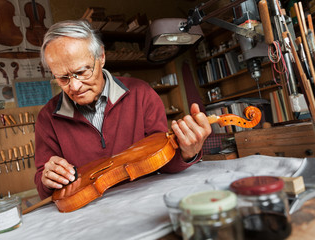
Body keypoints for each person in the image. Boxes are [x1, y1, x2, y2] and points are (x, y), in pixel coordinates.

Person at [34, 19, 212, 200]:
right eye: (63, 78)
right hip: (88, 210)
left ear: (101, 56)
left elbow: (163, 163)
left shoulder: (142, 94)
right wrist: (47, 179)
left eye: (81, 72)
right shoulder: (47, 118)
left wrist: (188, 152)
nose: (75, 86)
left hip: (145, 199)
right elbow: (43, 188)